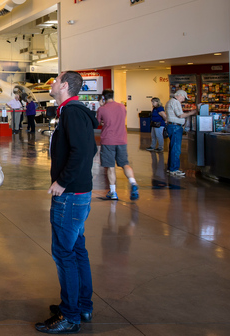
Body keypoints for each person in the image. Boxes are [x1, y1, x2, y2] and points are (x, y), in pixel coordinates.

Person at [35, 71, 98, 335]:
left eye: (55, 80)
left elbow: (83, 151)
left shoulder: (71, 112)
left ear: (64, 85)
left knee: (64, 254)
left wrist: (62, 182)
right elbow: (89, 149)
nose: (51, 84)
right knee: (77, 250)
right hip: (78, 194)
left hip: (70, 195)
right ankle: (81, 305)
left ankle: (70, 315)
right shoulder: (72, 111)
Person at [97, 90, 139, 201]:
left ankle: (113, 192)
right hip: (122, 139)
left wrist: (101, 106)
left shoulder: (102, 109)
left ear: (103, 97)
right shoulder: (121, 107)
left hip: (108, 140)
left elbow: (98, 123)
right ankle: (133, 182)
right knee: (125, 163)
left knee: (110, 167)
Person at [165, 89, 197, 177]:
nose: (183, 100)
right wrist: (192, 112)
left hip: (171, 127)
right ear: (179, 95)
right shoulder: (175, 102)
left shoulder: (169, 102)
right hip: (175, 127)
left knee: (172, 148)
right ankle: (174, 169)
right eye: (183, 97)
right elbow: (180, 115)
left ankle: (170, 168)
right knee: (176, 149)